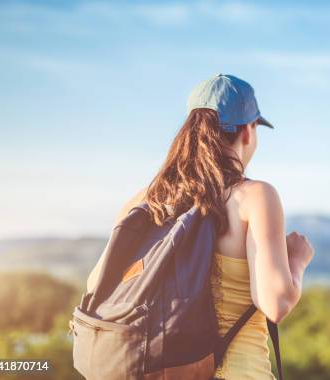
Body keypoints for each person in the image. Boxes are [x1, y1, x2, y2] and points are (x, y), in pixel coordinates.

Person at [86, 74, 314, 379]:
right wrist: (297, 260)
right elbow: (275, 304)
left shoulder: (144, 201)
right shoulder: (254, 196)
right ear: (248, 131)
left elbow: (95, 285)